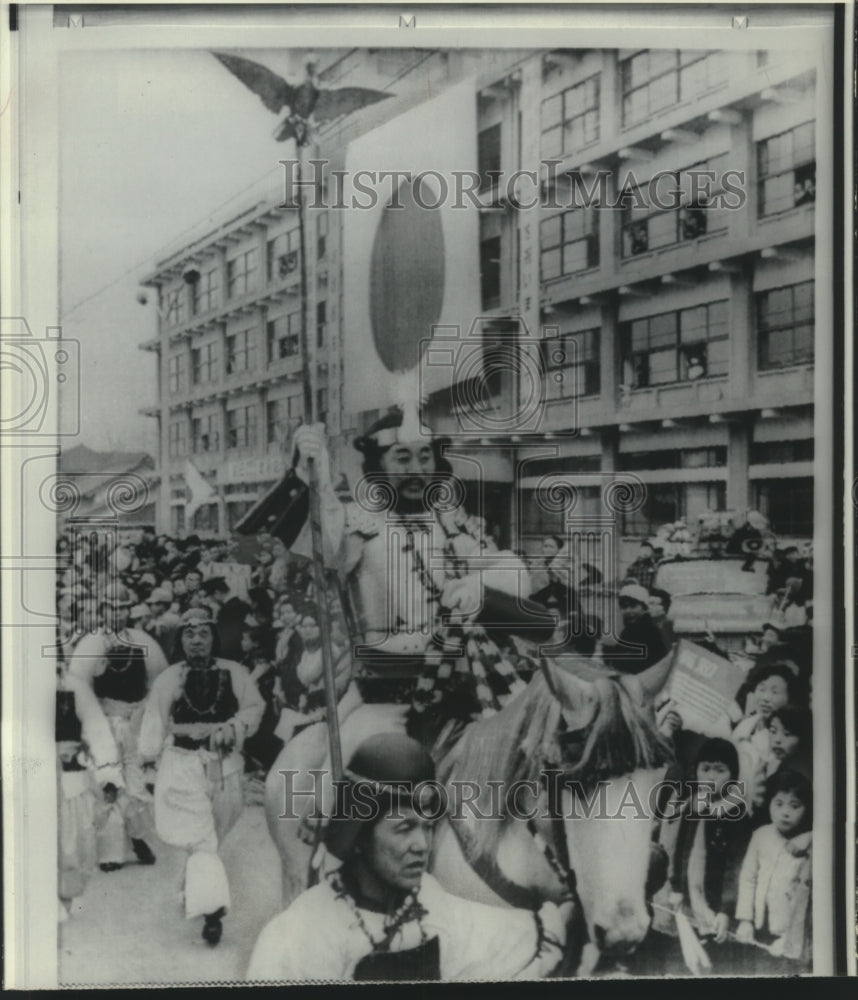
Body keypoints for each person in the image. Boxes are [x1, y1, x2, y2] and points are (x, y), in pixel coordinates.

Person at [246, 733, 570, 982]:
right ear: (358, 836)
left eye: (428, 828)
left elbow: (505, 939)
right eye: (404, 828)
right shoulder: (300, 934)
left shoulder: (437, 906)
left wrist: (559, 919)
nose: (422, 845)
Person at [138, 608, 265, 945]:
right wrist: (148, 761)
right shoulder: (169, 678)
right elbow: (153, 718)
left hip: (225, 766)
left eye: (203, 634)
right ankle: (212, 914)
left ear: (213, 638)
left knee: (214, 835)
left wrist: (233, 727)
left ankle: (198, 881)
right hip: (183, 765)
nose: (197, 641)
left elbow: (254, 708)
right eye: (189, 635)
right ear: (181, 640)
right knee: (203, 841)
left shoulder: (235, 672)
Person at [67, 585, 169, 870]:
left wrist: (144, 716)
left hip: (134, 723)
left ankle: (137, 837)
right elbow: (79, 689)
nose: (118, 614)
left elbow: (158, 684)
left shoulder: (142, 641)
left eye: (123, 608)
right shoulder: (91, 644)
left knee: (135, 785)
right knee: (107, 785)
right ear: (103, 611)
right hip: (103, 722)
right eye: (112, 608)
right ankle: (110, 851)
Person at [658, 739, 751, 971]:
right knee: (686, 951)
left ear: (733, 774)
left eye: (720, 770)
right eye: (705, 769)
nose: (711, 777)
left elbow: (736, 865)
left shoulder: (735, 813)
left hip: (715, 899)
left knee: (717, 957)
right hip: (688, 893)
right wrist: (676, 887)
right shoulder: (693, 805)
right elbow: (680, 850)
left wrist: (726, 909)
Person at [56, 666, 123, 920]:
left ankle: (64, 896)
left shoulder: (72, 687)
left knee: (72, 846)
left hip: (70, 780)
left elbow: (96, 729)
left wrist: (108, 775)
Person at [734, 770, 812, 970]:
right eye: (778, 804)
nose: (785, 812)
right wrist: (745, 920)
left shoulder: (809, 845)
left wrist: (790, 939)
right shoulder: (761, 836)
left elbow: (806, 901)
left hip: (791, 935)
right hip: (759, 928)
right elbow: (748, 878)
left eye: (795, 806)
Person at [602, 583, 669, 675]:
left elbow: (638, 662)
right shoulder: (631, 627)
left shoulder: (647, 629)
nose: (628, 611)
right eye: (624, 607)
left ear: (644, 608)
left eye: (633, 606)